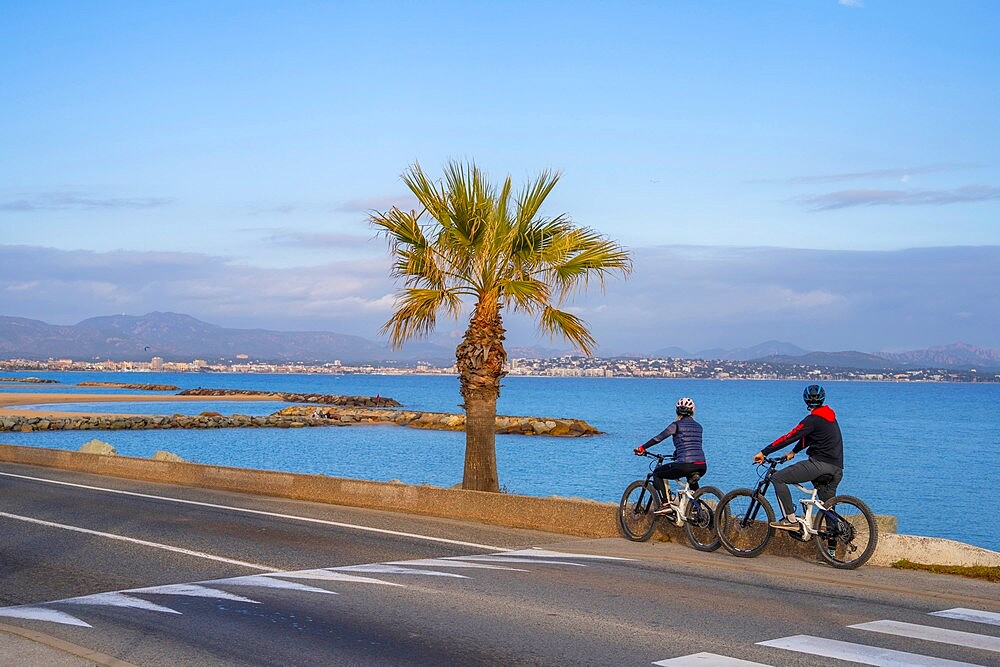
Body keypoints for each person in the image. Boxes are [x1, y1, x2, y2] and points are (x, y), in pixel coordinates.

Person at [754, 384, 844, 531]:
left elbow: (789, 437)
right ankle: (831, 551)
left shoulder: (812, 419)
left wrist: (764, 452)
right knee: (827, 509)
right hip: (837, 469)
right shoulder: (830, 417)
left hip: (819, 465)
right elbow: (808, 438)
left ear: (806, 400)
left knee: (777, 478)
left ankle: (790, 520)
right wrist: (794, 452)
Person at [634, 397, 706, 515]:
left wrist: (642, 448)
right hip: (702, 465)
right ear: (693, 411)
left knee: (657, 473)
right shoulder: (699, 427)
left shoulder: (676, 425)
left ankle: (665, 504)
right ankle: (696, 508)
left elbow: (658, 438)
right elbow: (691, 445)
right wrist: (676, 454)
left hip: (684, 464)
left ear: (677, 411)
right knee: (691, 477)